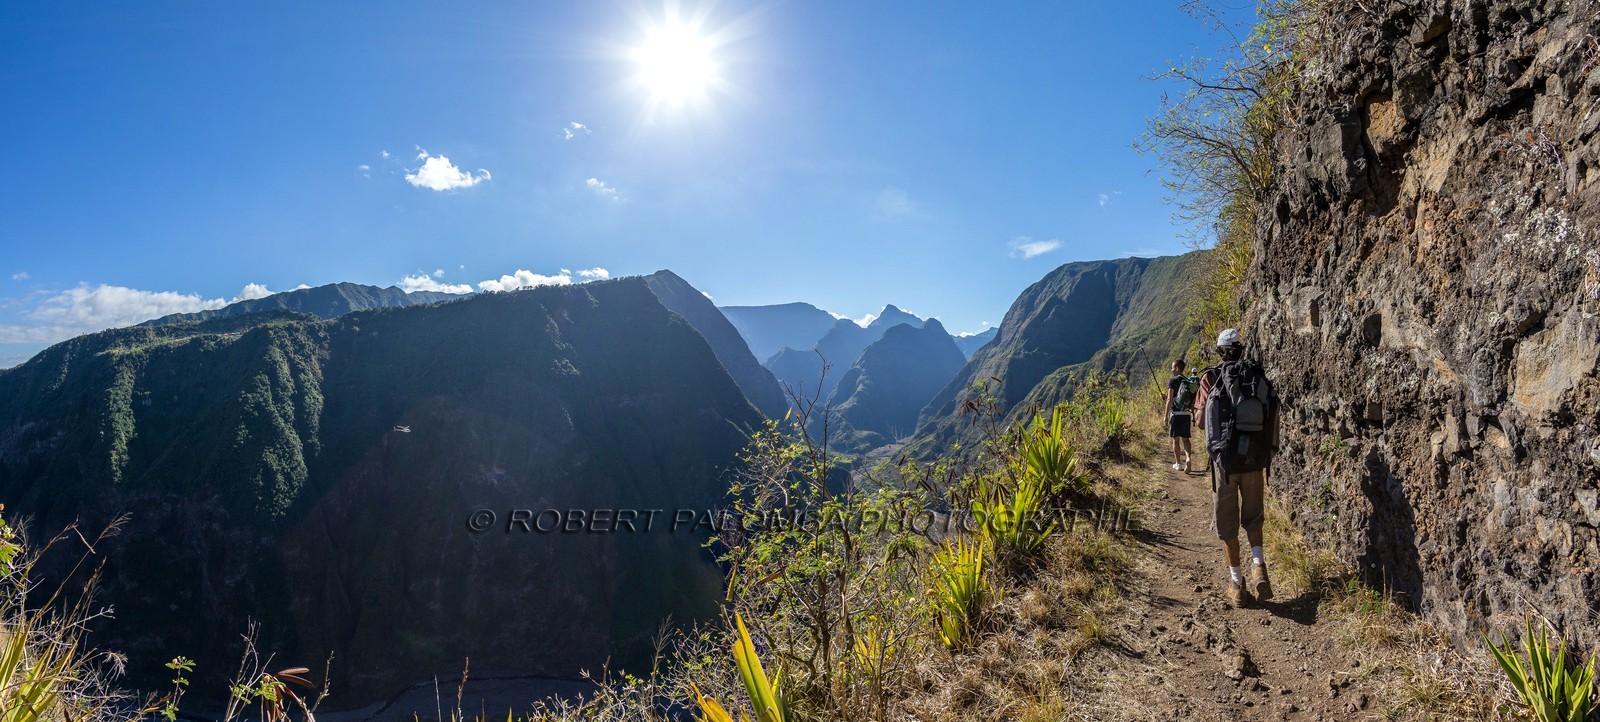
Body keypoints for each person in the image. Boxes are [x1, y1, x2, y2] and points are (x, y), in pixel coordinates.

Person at [1193, 328, 1277, 608]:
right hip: (1254, 460)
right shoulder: (1255, 376)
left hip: (1225, 465)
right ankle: (1258, 565)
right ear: (1241, 349)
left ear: (1220, 352)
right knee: (1254, 519)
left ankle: (1237, 585)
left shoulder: (1211, 378)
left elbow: (1202, 423)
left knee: (1227, 525)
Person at [1162, 359, 1193, 471]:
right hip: (1186, 413)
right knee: (1186, 439)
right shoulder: (1188, 381)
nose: (1171, 370)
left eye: (1172, 367)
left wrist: (1165, 415)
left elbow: (1170, 399)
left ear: (1177, 368)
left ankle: (1178, 463)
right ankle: (1188, 458)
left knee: (1176, 440)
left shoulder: (1172, 381)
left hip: (1175, 413)